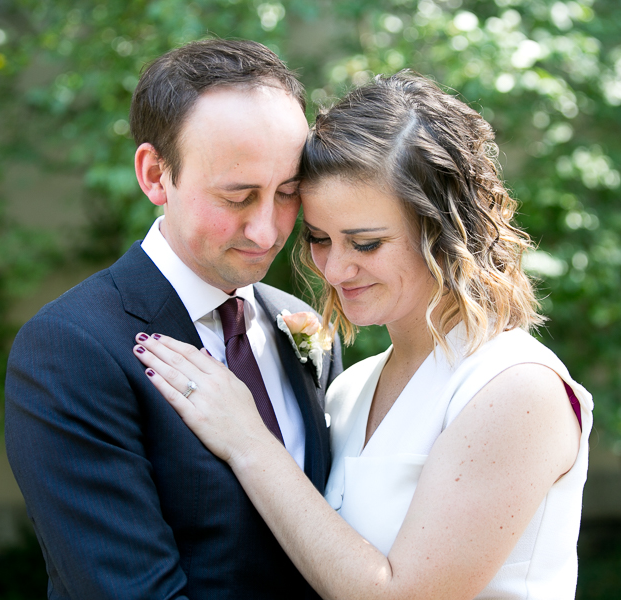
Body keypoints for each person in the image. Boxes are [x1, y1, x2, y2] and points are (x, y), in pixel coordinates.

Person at [134, 71, 593, 600]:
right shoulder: (349, 390)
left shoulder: (515, 388)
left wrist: (247, 439)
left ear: (446, 230)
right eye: (319, 239)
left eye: (366, 244)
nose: (334, 269)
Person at [5, 39, 341, 599]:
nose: (267, 231)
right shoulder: (70, 348)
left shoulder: (302, 323)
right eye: (237, 197)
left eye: (287, 193)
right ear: (155, 174)